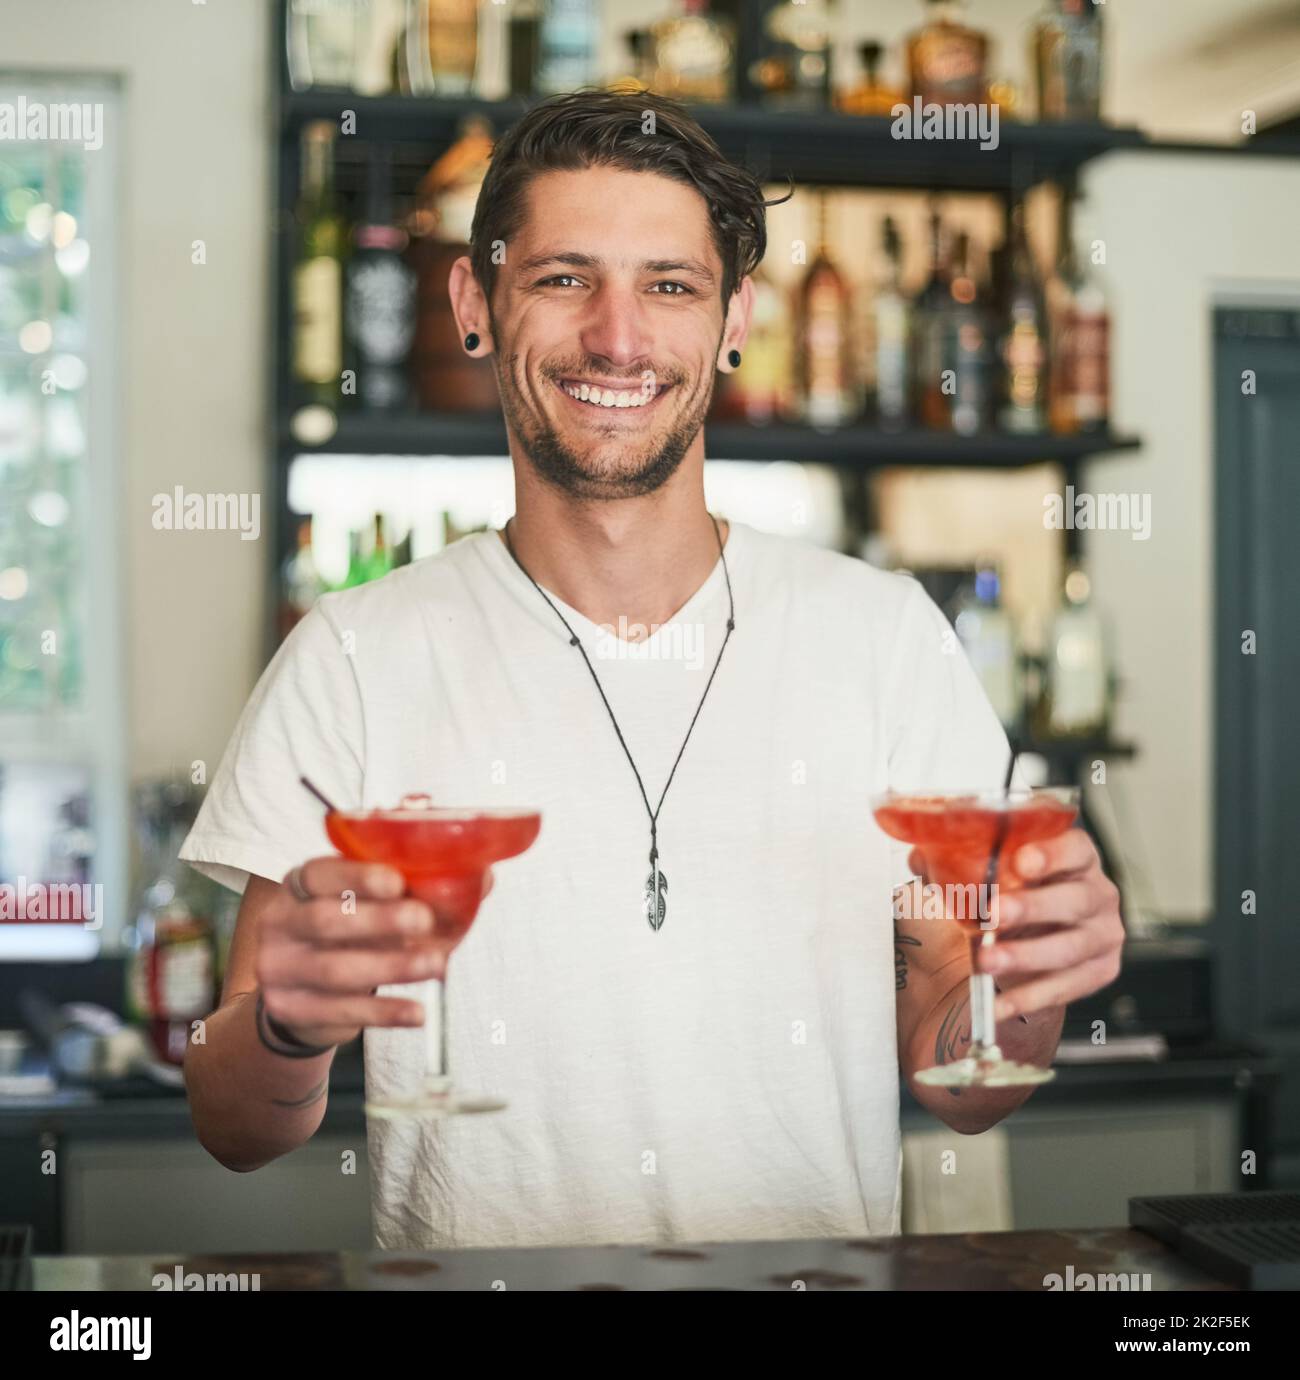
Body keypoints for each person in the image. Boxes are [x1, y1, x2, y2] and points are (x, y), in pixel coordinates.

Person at [181, 90, 1123, 1251]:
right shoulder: (352, 656)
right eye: (565, 278)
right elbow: (235, 1125)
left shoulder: (884, 640)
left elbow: (964, 1087)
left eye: (669, 286)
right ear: (476, 304)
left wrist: (1030, 985)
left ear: (735, 319)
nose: (619, 339)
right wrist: (283, 1028)